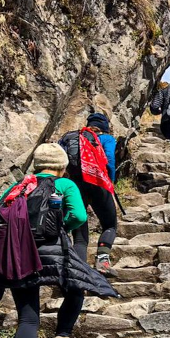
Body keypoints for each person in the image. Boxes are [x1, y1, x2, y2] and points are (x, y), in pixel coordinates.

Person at [0, 143, 118, 338]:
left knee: (28, 319)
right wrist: (57, 228)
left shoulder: (18, 187)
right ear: (62, 166)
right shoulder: (66, 185)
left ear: (36, 164)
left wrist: (18, 233)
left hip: (19, 256)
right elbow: (79, 216)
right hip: (55, 254)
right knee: (77, 286)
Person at [59, 113, 118, 275]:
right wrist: (110, 182)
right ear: (104, 127)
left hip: (75, 186)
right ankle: (102, 260)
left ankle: (79, 271)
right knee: (110, 224)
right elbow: (110, 160)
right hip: (98, 183)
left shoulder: (70, 137)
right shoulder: (106, 139)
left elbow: (59, 161)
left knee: (79, 233)